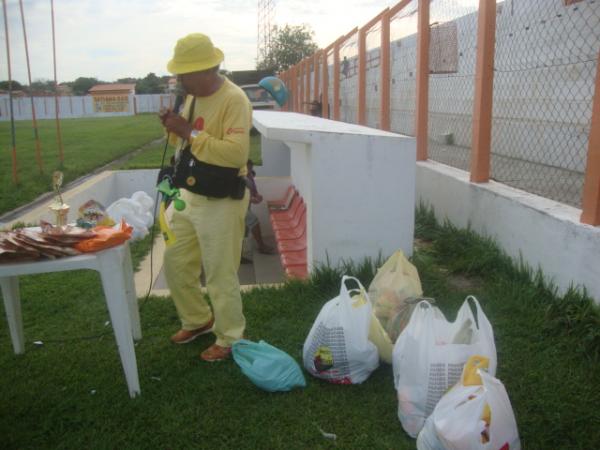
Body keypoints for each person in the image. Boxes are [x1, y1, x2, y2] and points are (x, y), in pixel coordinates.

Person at [159, 33, 252, 362]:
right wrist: (174, 129)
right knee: (175, 261)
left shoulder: (234, 99)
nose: (179, 80)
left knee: (219, 271)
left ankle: (229, 336)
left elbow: (235, 153)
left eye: (183, 74)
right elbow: (184, 147)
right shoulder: (192, 97)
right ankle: (197, 320)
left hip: (222, 197)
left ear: (205, 70)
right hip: (190, 193)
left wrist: (188, 132)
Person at [243, 159, 276, 258]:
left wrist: (257, 195)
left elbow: (254, 190)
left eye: (250, 168)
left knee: (244, 230)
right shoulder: (239, 178)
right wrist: (251, 199)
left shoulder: (250, 177)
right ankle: (261, 246)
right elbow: (238, 194)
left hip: (246, 206)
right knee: (254, 222)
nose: (249, 170)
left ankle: (241, 255)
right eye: (247, 168)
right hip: (239, 208)